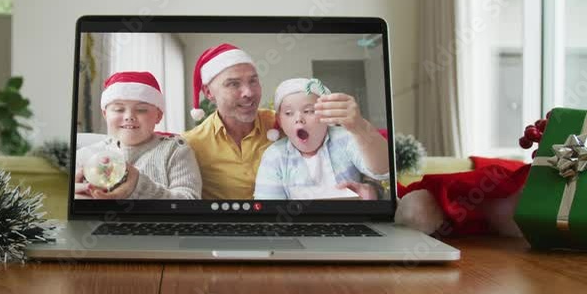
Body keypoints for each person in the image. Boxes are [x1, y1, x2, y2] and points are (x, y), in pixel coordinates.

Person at [253, 78, 391, 200]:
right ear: (280, 121)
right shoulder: (275, 156)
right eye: (289, 113)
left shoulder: (345, 139)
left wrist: (359, 126)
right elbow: (268, 207)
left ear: (326, 114)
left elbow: (383, 170)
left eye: (308, 111)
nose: (298, 119)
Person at [75, 71, 201, 200]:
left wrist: (138, 186)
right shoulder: (84, 156)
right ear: (105, 114)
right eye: (119, 109)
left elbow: (190, 199)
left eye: (141, 110)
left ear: (158, 115)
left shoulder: (175, 150)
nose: (129, 116)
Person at [182, 44, 275, 200]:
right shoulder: (190, 145)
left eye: (253, 81)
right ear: (208, 93)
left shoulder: (284, 125)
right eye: (233, 84)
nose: (249, 93)